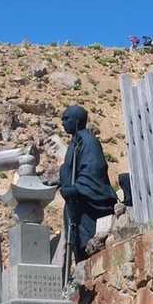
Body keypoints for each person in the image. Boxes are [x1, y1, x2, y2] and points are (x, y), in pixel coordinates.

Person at [58, 105, 118, 262]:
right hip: (76, 201)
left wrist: (77, 188)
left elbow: (95, 168)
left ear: (77, 121)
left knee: (88, 246)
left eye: (66, 119)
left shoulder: (88, 141)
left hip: (88, 201)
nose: (63, 122)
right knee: (77, 243)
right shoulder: (75, 142)